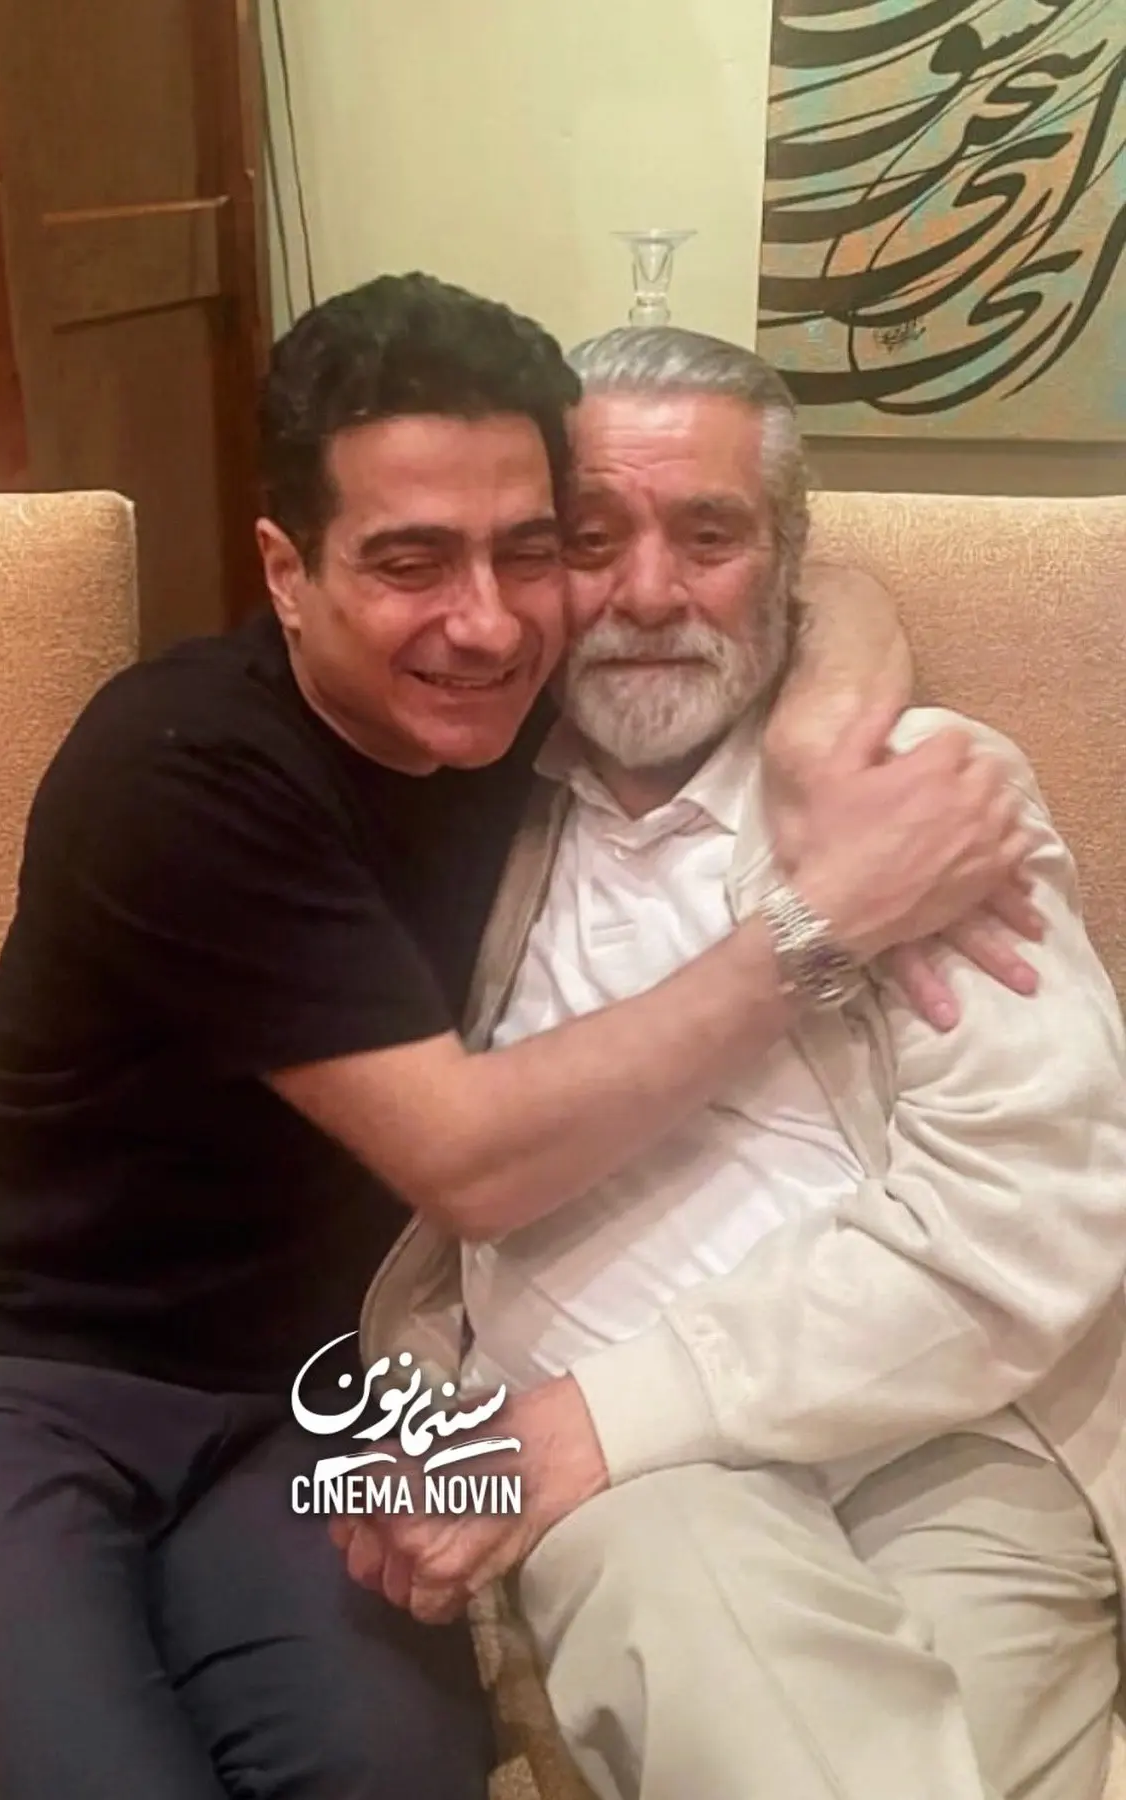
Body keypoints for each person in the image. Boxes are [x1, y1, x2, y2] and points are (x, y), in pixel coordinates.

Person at [0, 276, 1033, 1800]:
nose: (487, 621)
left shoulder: (535, 722)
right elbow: (470, 1161)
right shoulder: (179, 769)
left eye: (531, 549)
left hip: (299, 1399)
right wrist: (816, 921)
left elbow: (804, 586)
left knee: (391, 1771)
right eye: (409, 561)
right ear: (286, 570)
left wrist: (826, 735)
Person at [343, 326, 1126, 1800]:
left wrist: (586, 1425)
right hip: (635, 1487)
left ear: (782, 560)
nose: (649, 594)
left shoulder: (922, 797)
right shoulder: (457, 812)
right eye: (593, 539)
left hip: (952, 1440)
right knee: (708, 1620)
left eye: (710, 536)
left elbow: (1031, 1213)